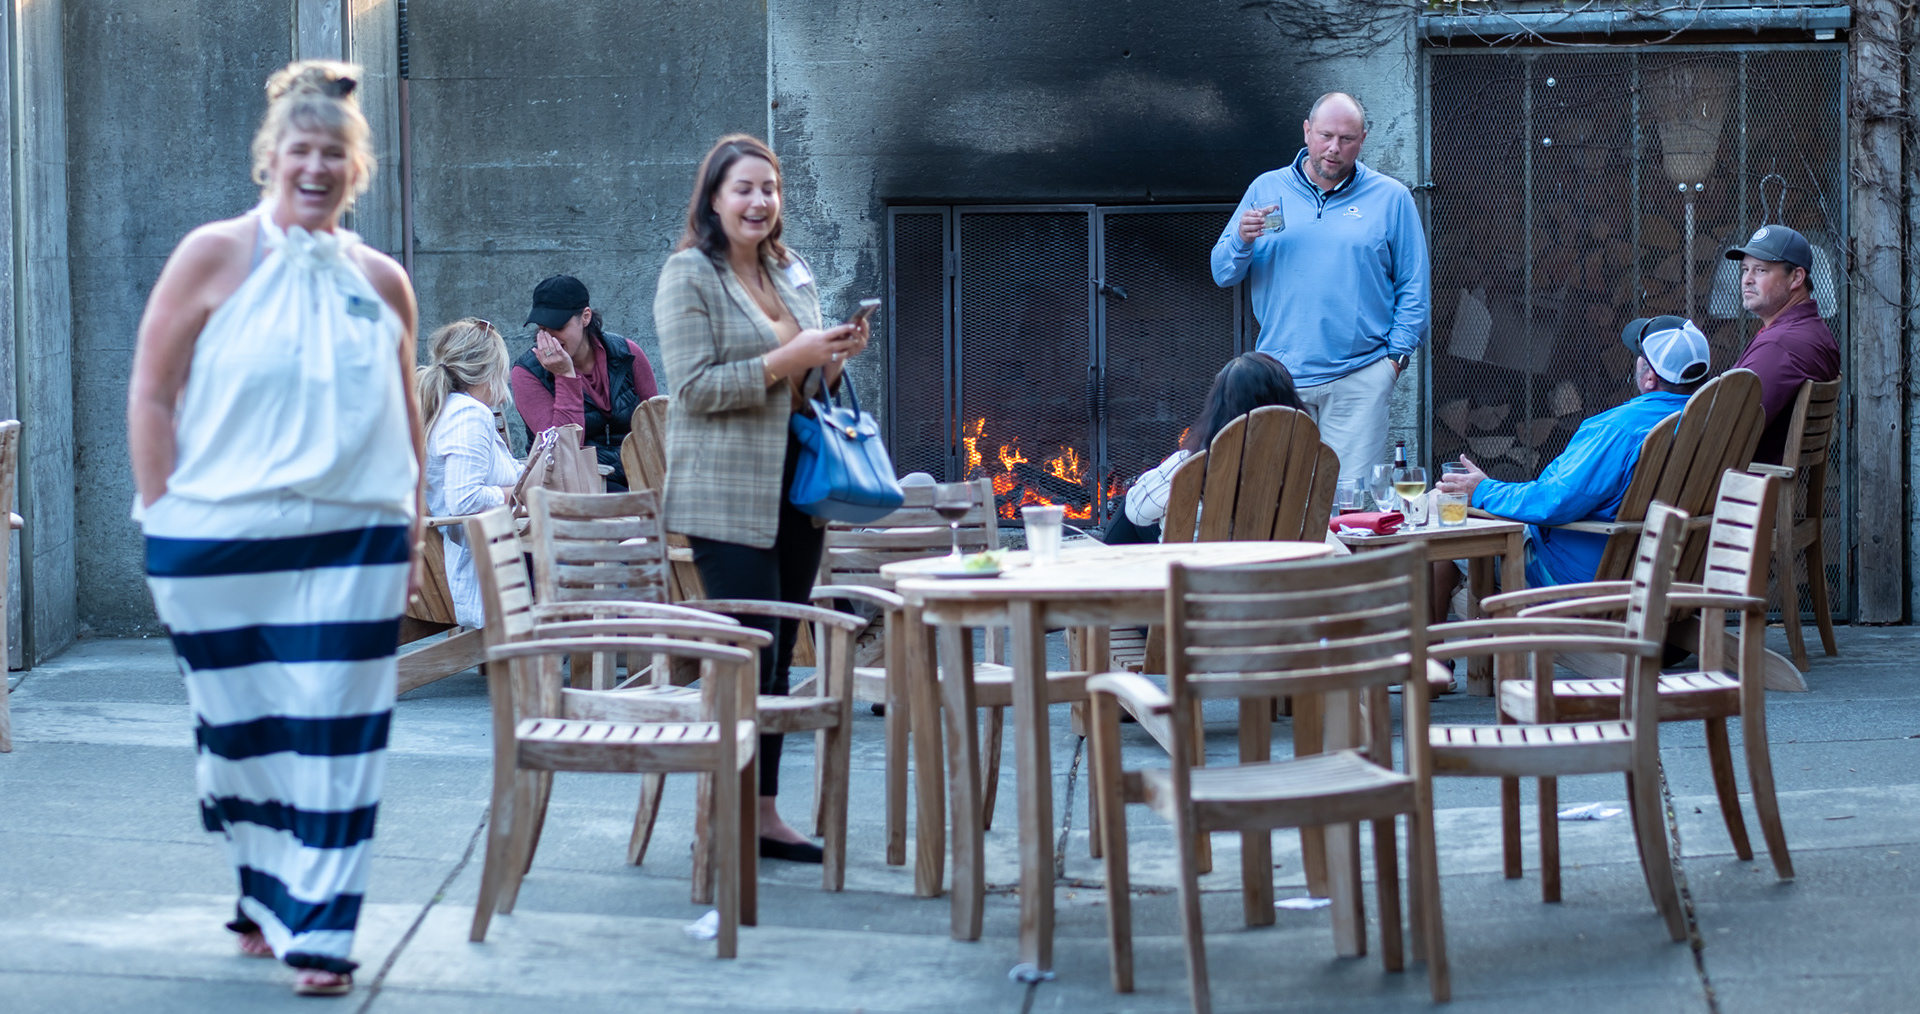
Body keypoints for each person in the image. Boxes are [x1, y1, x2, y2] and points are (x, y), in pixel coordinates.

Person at [126, 61, 421, 997]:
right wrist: (162, 513)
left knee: (338, 729)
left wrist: (413, 534)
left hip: (356, 540)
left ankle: (323, 932)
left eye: (334, 153)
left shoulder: (383, 280)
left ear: (356, 167)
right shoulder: (212, 254)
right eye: (302, 150)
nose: (316, 167)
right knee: (243, 737)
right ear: (271, 158)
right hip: (218, 540)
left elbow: (406, 419)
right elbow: (151, 391)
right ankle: (263, 892)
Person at [654, 134, 867, 864]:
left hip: (799, 488)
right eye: (744, 188)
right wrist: (787, 358)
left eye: (769, 188)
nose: (759, 201)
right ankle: (721, 814)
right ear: (714, 198)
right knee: (746, 654)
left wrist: (831, 358)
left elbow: (805, 388)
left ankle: (764, 814)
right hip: (724, 495)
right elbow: (693, 390)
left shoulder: (788, 270)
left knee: (777, 661)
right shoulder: (689, 274)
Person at [1429, 316, 1712, 623]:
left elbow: (1555, 501)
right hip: (1670, 579)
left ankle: (1432, 648)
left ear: (1649, 379)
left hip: (1579, 582)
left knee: (1439, 515)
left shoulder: (1618, 429)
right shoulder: (1715, 422)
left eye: (1639, 355)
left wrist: (1482, 490)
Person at [1211, 91, 1430, 484]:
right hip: (1280, 379)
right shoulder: (1266, 188)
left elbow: (1414, 284)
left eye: (1347, 139)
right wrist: (1241, 239)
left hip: (1360, 378)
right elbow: (1223, 272)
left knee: (1348, 501)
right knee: (1278, 497)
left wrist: (1394, 361)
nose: (1334, 148)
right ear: (1307, 131)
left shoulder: (1391, 197)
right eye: (1326, 136)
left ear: (1363, 139)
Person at [1104, 353, 1304, 544]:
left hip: (1195, 563)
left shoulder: (1192, 463)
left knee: (1132, 505)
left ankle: (1103, 567)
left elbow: (1136, 514)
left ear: (1217, 407)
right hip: (1275, 561)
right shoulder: (1307, 462)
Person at [511, 274, 660, 489]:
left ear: (585, 317)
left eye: (559, 327)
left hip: (640, 472)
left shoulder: (626, 353)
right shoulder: (527, 373)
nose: (551, 339)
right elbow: (561, 451)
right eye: (543, 329)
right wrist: (565, 376)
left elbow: (655, 423)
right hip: (574, 483)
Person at [418, 318, 520, 628]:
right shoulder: (468, 415)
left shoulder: (448, 408)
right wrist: (514, 495)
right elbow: (464, 499)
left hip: (470, 552)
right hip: (478, 562)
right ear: (490, 371)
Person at [1723, 224, 1840, 464]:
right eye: (1745, 269)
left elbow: (1726, 429)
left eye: (1760, 270)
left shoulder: (1781, 345)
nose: (1747, 280)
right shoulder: (1808, 329)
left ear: (1796, 277)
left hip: (1742, 479)